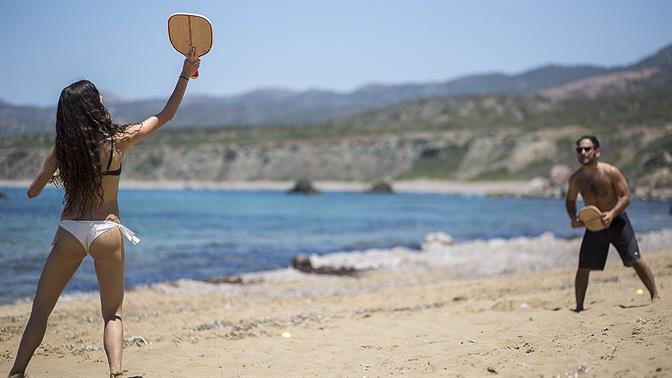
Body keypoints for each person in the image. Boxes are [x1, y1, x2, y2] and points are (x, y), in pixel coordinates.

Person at [8, 49, 200, 378]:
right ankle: (115, 372)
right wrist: (185, 73)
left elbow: (32, 191)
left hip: (70, 232)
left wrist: (56, 174)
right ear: (94, 107)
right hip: (107, 232)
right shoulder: (117, 141)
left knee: (40, 310)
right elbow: (165, 114)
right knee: (112, 314)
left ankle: (17, 372)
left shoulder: (61, 150)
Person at [565, 135, 660, 312]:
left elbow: (626, 196)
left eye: (588, 149)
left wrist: (612, 213)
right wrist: (573, 218)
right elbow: (570, 201)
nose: (583, 152)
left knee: (635, 259)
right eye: (580, 150)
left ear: (597, 151)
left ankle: (655, 295)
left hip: (617, 222)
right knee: (584, 267)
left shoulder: (610, 172)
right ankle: (579, 307)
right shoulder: (576, 179)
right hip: (594, 226)